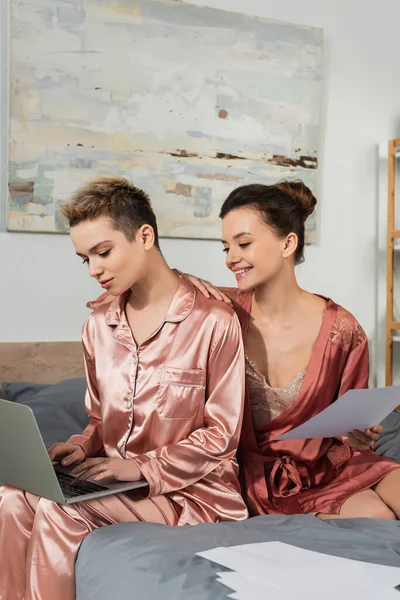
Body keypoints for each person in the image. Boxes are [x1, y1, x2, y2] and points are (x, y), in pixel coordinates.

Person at [0, 176, 248, 600]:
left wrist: (142, 469)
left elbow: (222, 437)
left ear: (145, 236)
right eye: (85, 259)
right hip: (113, 480)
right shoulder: (98, 326)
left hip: (193, 493)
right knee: (8, 497)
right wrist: (81, 445)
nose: (95, 269)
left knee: (61, 512)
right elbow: (100, 418)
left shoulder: (214, 322)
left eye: (103, 252)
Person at [181, 180, 400, 520]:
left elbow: (349, 432)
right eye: (226, 248)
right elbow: (146, 289)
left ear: (288, 243)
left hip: (326, 466)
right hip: (256, 479)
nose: (231, 259)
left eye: (243, 244)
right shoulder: (220, 315)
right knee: (377, 520)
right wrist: (177, 279)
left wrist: (357, 435)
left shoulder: (343, 330)